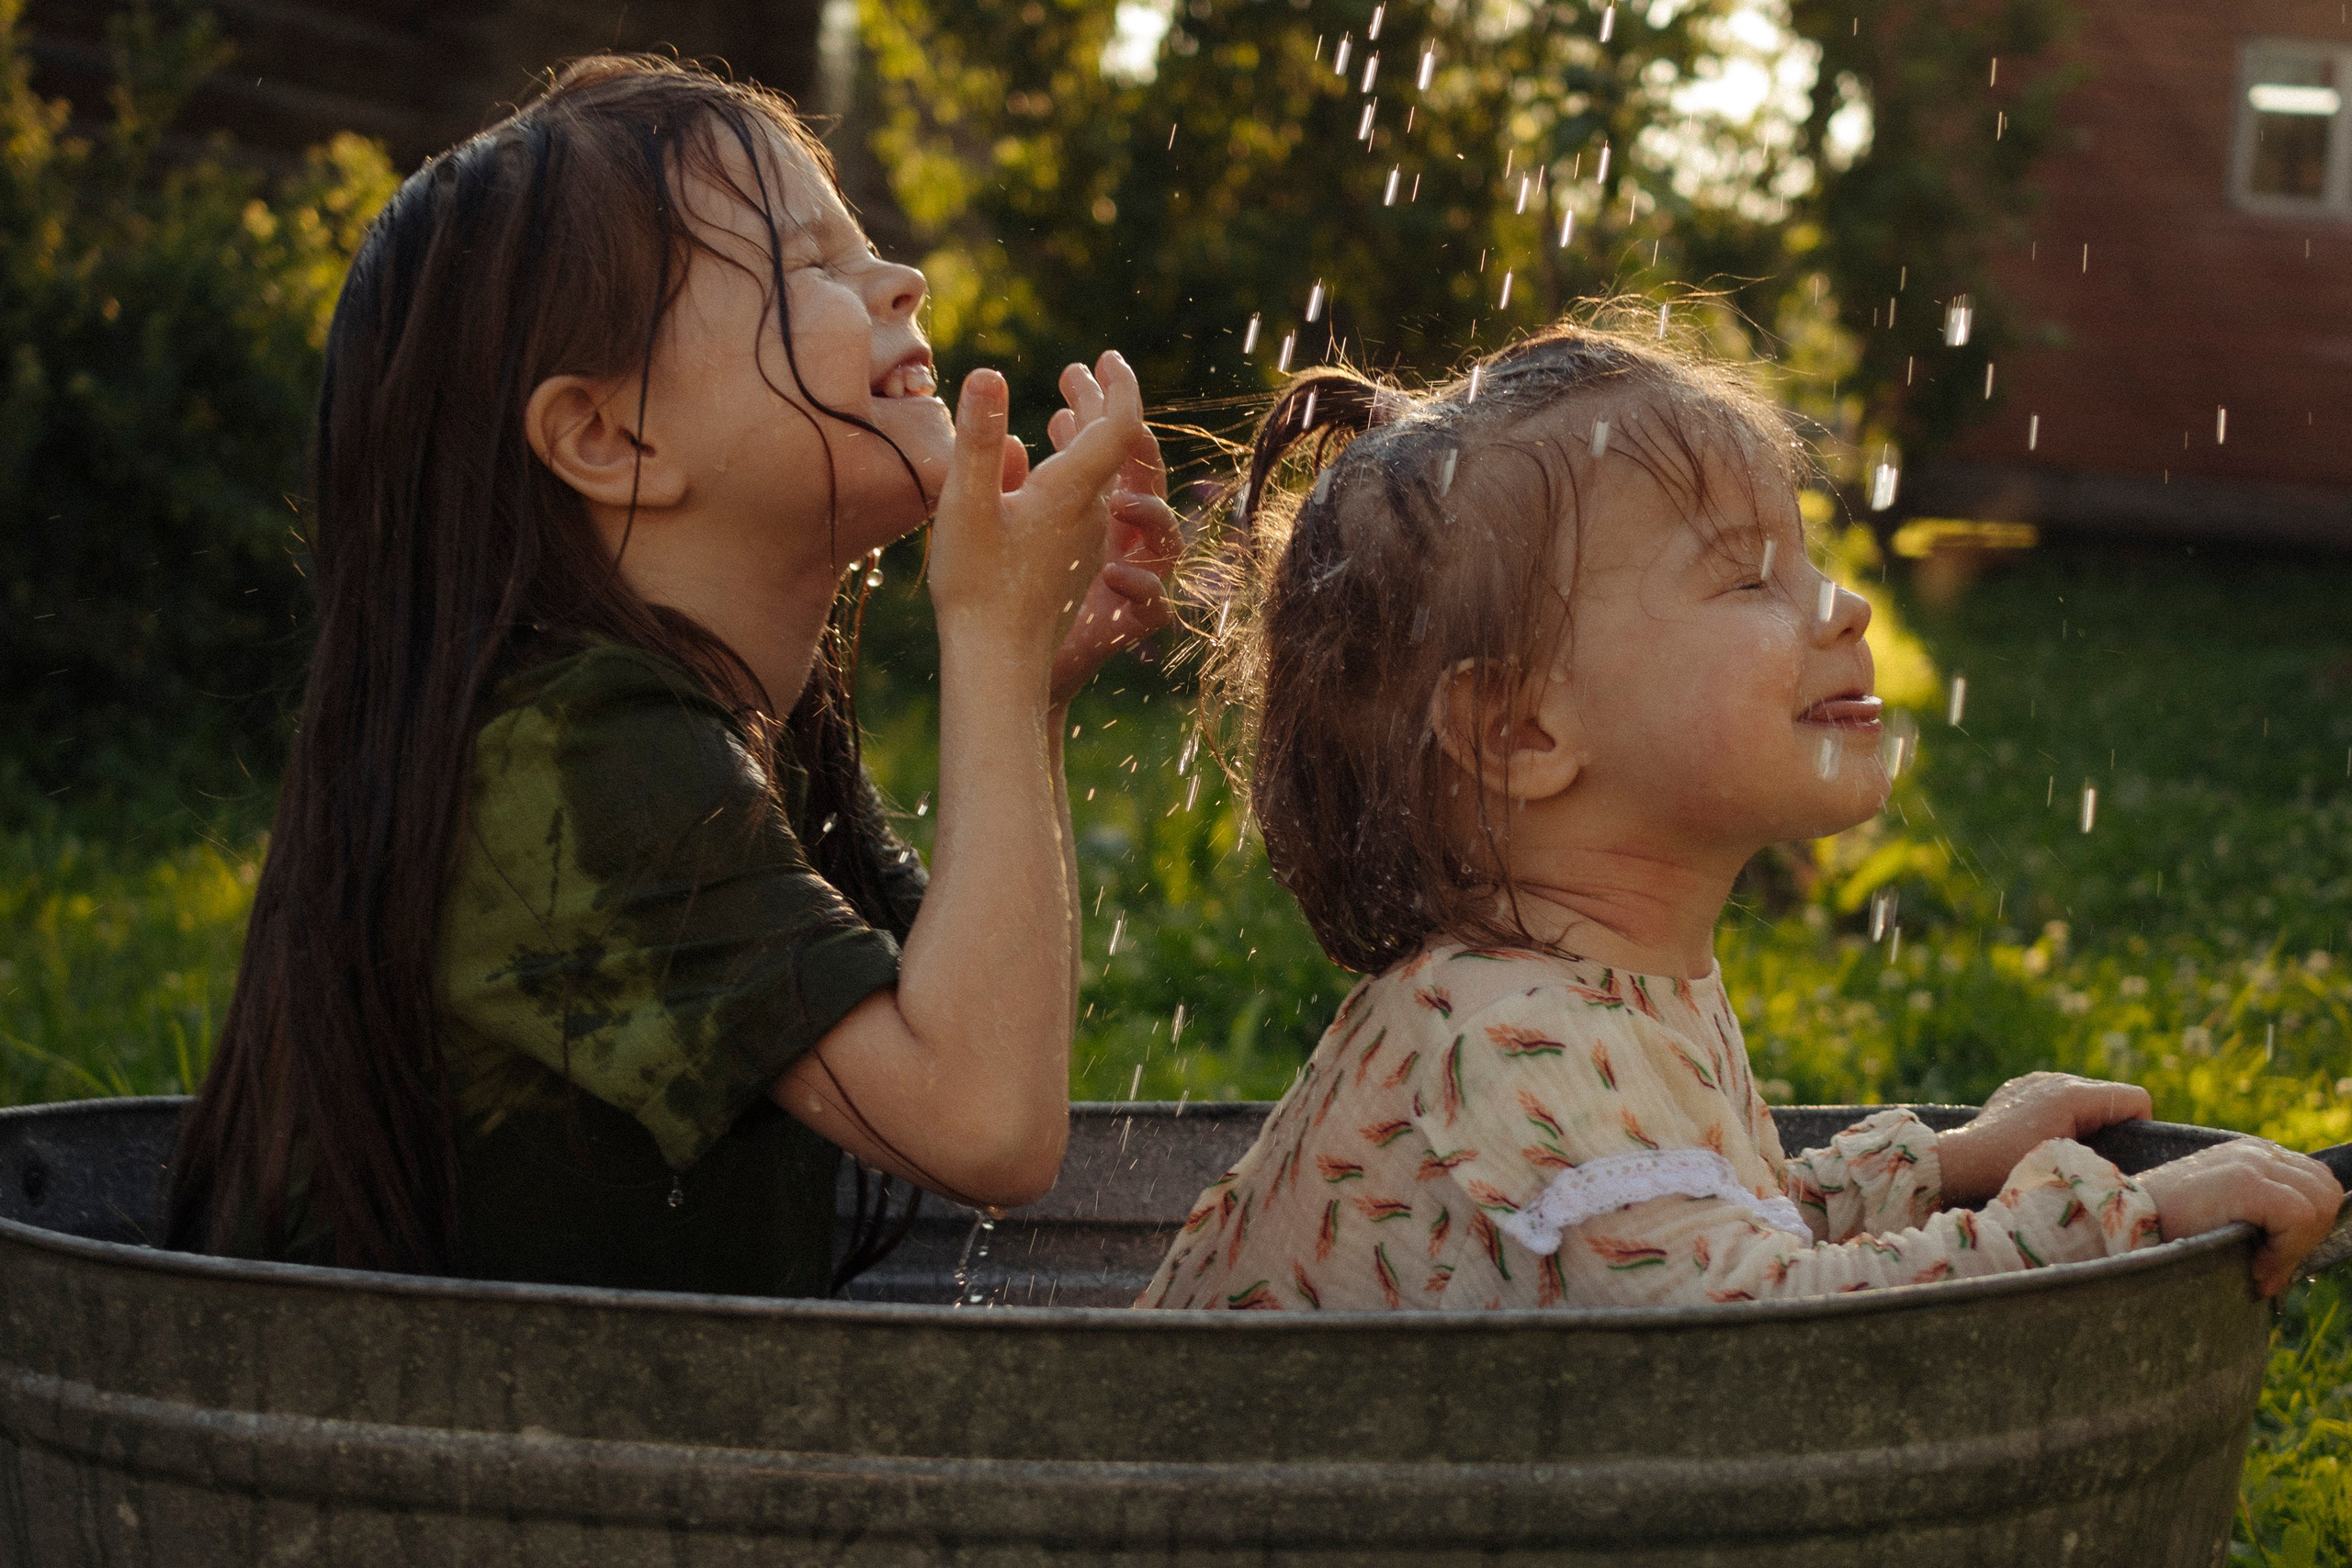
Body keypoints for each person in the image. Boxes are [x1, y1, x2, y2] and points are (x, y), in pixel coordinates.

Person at [165, 55, 1181, 1296]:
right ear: (610, 437)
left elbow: (972, 1030)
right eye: (807, 265)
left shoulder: (726, 727)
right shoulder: (569, 752)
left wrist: (1034, 694)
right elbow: (983, 1127)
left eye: (862, 245)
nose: (902, 279)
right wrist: (992, 649)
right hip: (424, 1456)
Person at [1141, 314, 2341, 1312]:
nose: (1845, 608)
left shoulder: (1587, 988)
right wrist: (2115, 1227)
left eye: (1808, 559)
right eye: (1748, 576)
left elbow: (1706, 1232)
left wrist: (1944, 1166)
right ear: (1521, 730)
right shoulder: (1510, 1043)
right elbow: (1757, 1341)